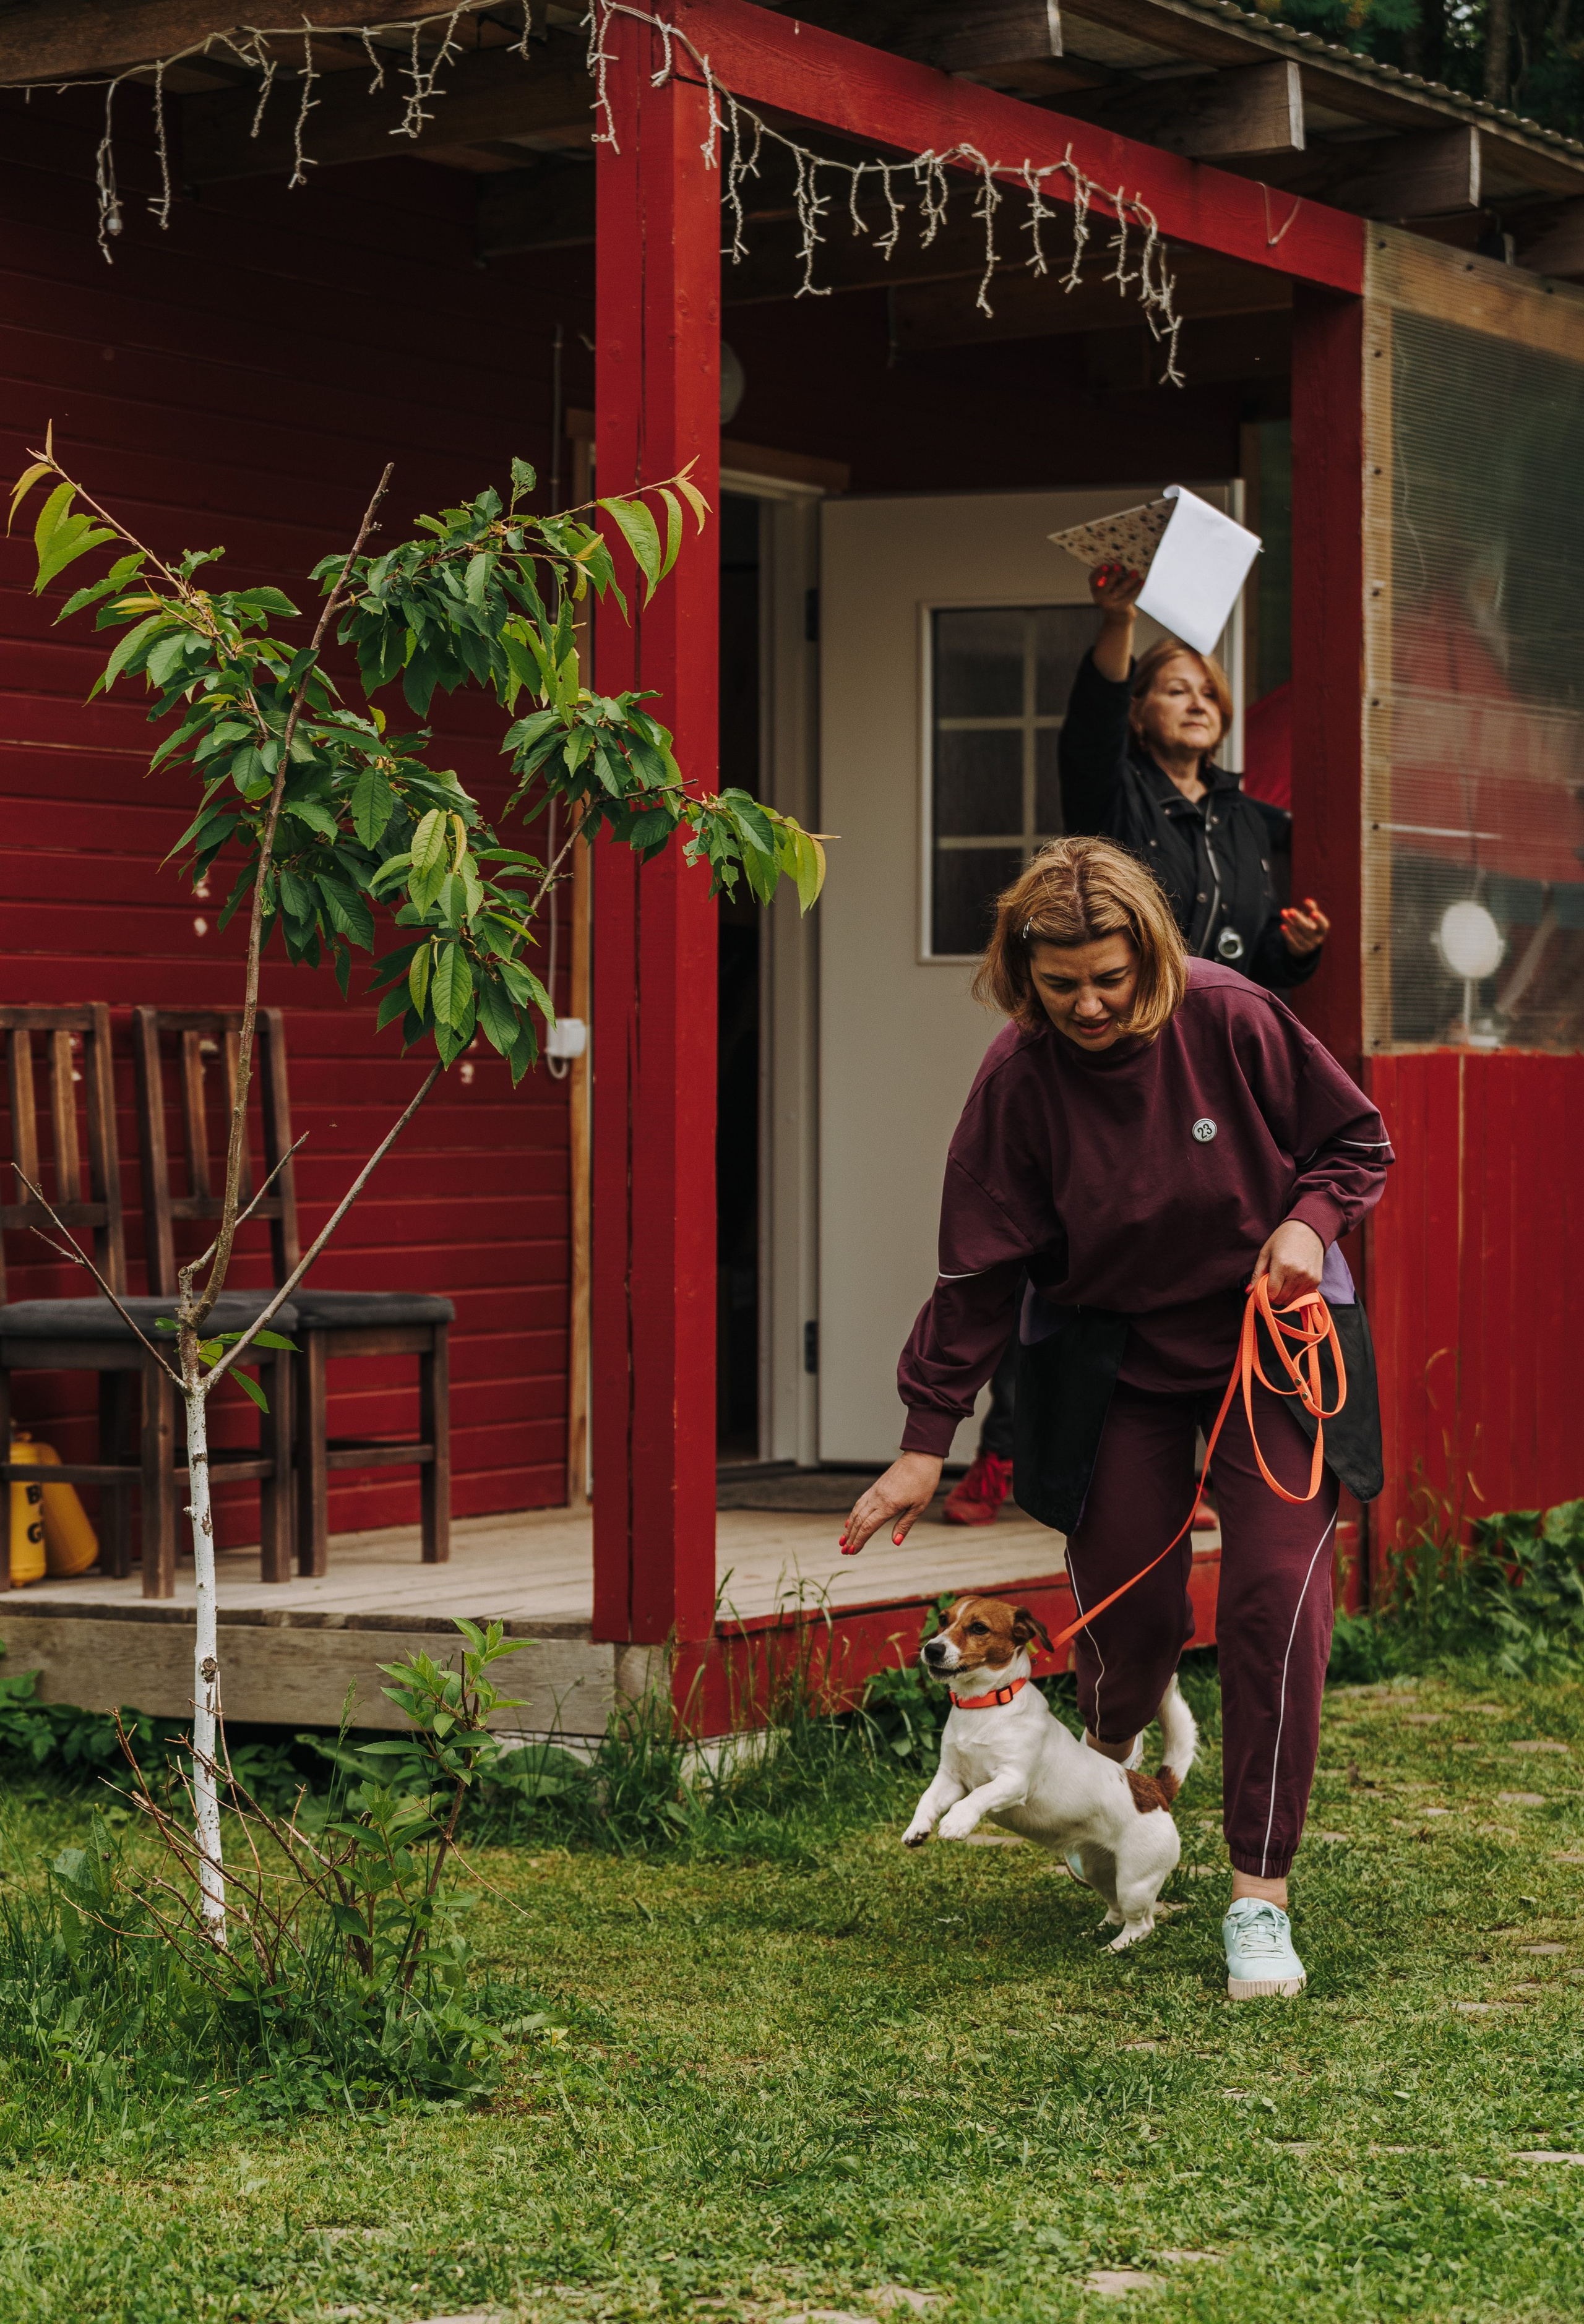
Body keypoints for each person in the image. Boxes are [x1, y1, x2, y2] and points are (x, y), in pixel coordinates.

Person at [840, 836, 1391, 2000]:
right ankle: (1115, 1772)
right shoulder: (1018, 1081)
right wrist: (920, 1441)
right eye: (1062, 985)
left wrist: (1309, 1223)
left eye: (1113, 978)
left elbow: (1354, 1142)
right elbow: (981, 1270)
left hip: (1271, 1339)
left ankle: (1258, 1894)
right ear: (1022, 973)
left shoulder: (1236, 1017)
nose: (1091, 1004)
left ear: (1152, 954)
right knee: (1130, 1619)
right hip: (1116, 1357)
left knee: (1272, 1602)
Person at [942, 575, 1328, 1528]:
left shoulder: (1252, 825)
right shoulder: (1114, 796)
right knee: (1067, 1255)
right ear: (1142, 712)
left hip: (1206, 1067)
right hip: (1106, 1059)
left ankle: (1187, 1468)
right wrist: (1118, 625)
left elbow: (1249, 952)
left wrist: (1296, 952)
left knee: (1200, 1260)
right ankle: (1009, 1452)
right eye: (1173, 687)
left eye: (1207, 690)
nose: (1195, 701)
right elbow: (1087, 731)